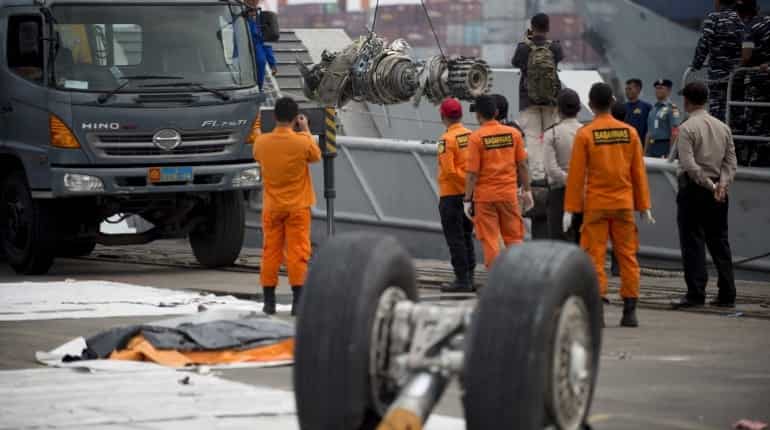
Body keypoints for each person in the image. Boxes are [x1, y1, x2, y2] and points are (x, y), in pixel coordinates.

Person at [564, 83, 654, 327]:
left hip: (596, 206)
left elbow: (576, 175)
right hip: (623, 204)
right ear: (612, 102)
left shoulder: (585, 134)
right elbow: (638, 173)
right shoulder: (630, 133)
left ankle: (598, 312)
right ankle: (630, 312)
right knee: (627, 256)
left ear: (590, 104)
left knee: (594, 256)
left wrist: (570, 208)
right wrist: (644, 205)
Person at [671, 82, 738, 309]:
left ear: (687, 101)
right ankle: (727, 294)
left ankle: (696, 294)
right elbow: (730, 162)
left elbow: (689, 165)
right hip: (719, 192)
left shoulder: (687, 128)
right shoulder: (723, 127)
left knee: (693, 242)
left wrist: (710, 186)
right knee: (720, 242)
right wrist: (722, 185)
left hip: (694, 190)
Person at [252, 97, 321, 315]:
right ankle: (298, 303)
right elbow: (316, 155)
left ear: (275, 116)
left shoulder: (262, 143)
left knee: (270, 252)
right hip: (298, 207)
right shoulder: (302, 142)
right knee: (298, 252)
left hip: (272, 207)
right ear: (295, 118)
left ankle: (269, 302)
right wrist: (306, 129)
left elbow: (257, 153)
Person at [464, 95, 533, 269]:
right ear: (495, 112)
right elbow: (523, 165)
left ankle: (497, 278)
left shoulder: (476, 138)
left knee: (491, 239)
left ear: (478, 115)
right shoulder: (514, 134)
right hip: (509, 195)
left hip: (485, 198)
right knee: (514, 237)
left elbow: (472, 174)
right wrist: (527, 190)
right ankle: (517, 275)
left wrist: (467, 199)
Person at [512, 13, 564, 239]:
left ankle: (537, 180)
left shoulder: (523, 48)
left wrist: (527, 39)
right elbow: (559, 60)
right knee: (551, 138)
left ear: (532, 27)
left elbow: (516, 62)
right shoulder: (555, 47)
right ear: (548, 27)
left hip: (528, 101)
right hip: (551, 101)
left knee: (533, 140)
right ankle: (554, 176)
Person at [436, 98, 476, 293]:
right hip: (469, 197)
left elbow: (450, 171)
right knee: (467, 236)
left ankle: (462, 279)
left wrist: (463, 185)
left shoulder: (445, 140)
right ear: (461, 115)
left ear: (442, 116)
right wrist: (470, 188)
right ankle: (470, 276)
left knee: (455, 238)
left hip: (451, 196)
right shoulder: (471, 135)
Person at [691, 0, 745, 122]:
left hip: (718, 77)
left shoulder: (713, 18)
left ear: (718, 2)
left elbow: (703, 44)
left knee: (717, 112)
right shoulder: (740, 19)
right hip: (737, 76)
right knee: (736, 112)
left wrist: (696, 64)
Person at [543, 89, 583, 242]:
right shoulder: (586, 131)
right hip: (584, 192)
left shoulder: (551, 134)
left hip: (559, 194)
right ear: (579, 108)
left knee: (559, 243)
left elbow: (551, 169)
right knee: (583, 241)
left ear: (558, 109)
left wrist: (569, 180)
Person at [245, 0, 278, 91]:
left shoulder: (261, 19)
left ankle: (259, 88)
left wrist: (272, 64)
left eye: (255, 1)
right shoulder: (238, 15)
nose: (254, 3)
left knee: (261, 60)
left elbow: (266, 44)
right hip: (243, 51)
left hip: (257, 49)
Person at [646, 79, 681, 158]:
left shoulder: (672, 108)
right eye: (656, 88)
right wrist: (645, 152)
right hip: (652, 146)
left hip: (664, 146)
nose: (658, 90)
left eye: (661, 88)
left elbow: (675, 132)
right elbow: (649, 132)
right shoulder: (653, 109)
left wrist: (671, 153)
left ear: (669, 91)